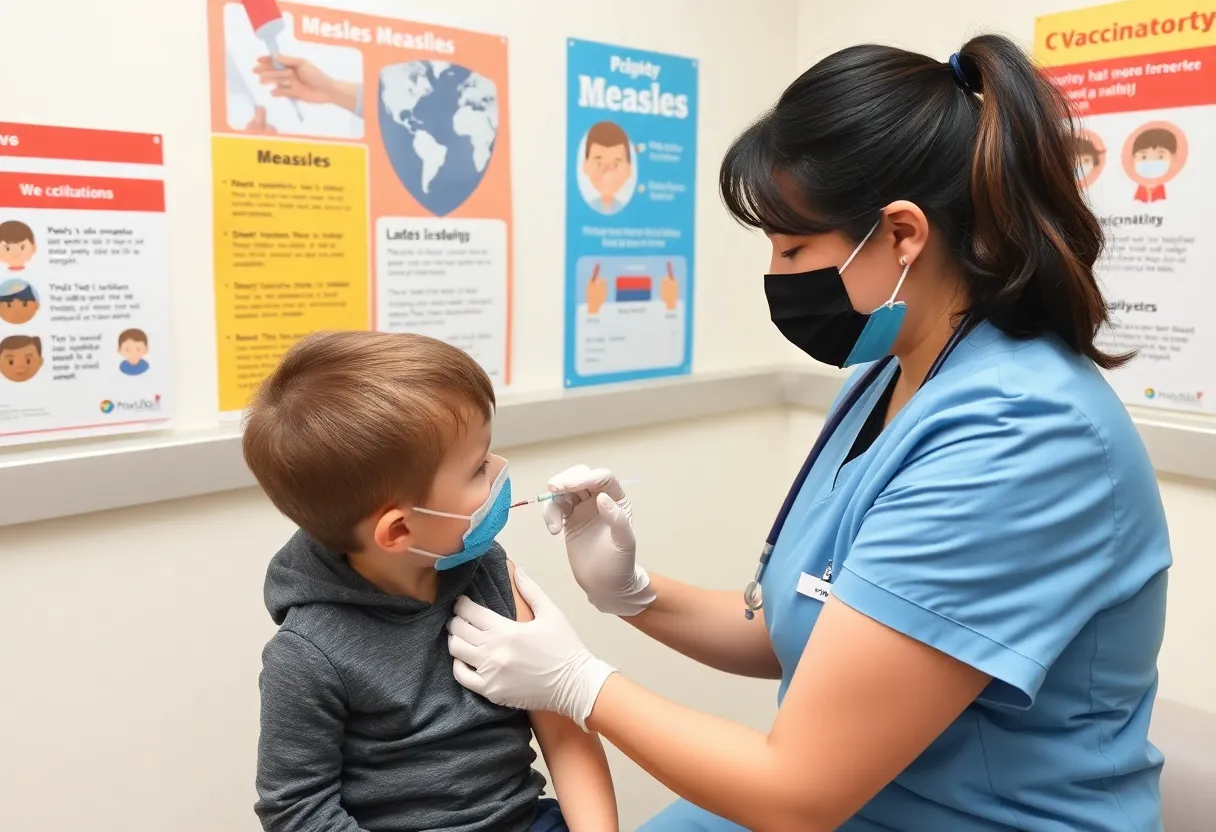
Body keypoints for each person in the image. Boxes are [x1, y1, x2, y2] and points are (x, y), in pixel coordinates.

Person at [446, 34, 1171, 832]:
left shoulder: (1018, 438)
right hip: (862, 799)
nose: (777, 272)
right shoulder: (890, 373)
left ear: (903, 235)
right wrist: (631, 594)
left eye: (793, 246)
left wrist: (580, 685)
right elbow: (808, 628)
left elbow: (797, 794)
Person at [242, 331, 617, 832]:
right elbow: (297, 812)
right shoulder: (308, 655)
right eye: (479, 467)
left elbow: (565, 732)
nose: (500, 473)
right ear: (399, 530)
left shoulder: (489, 572)